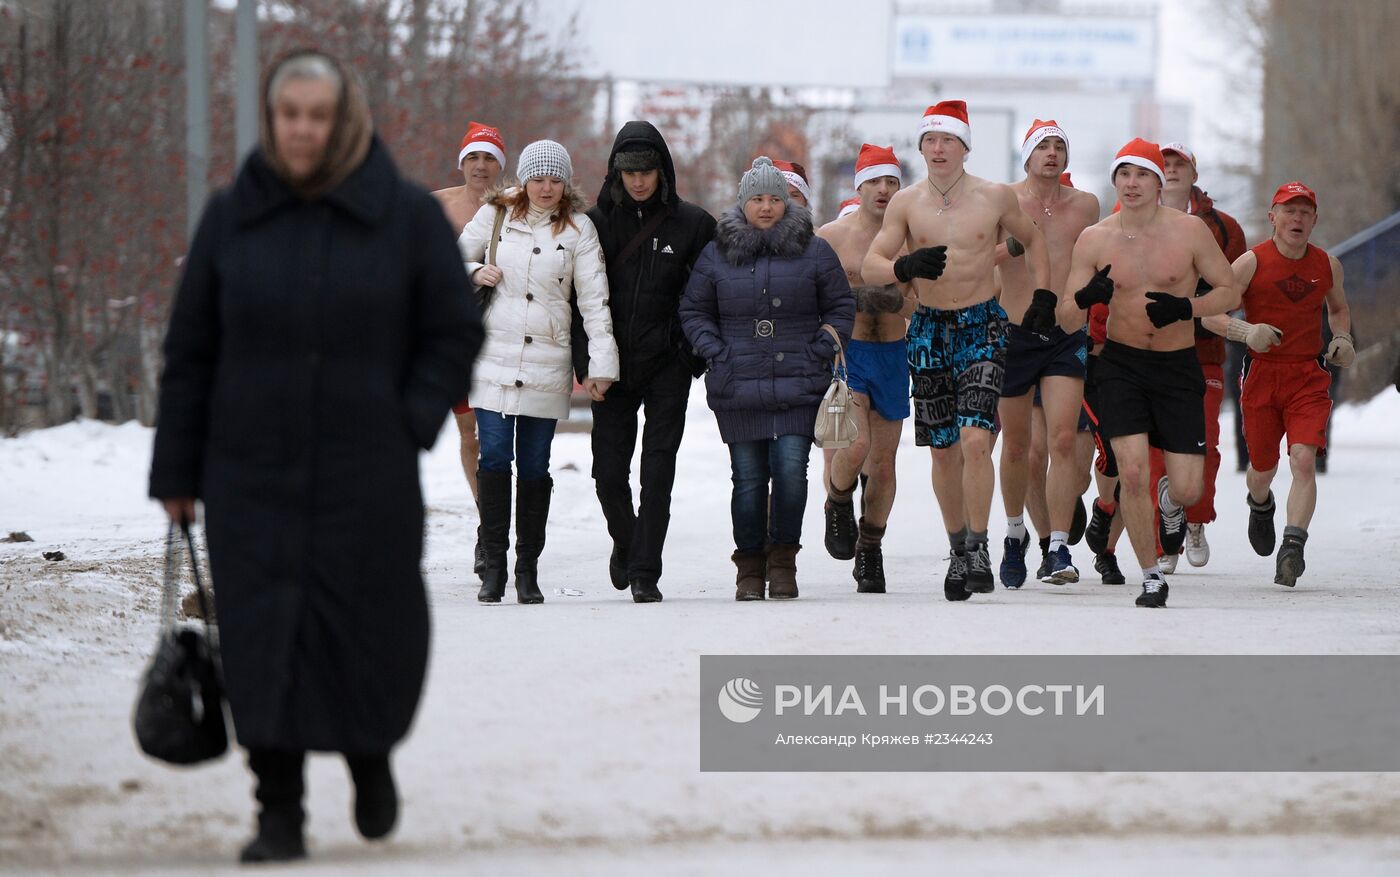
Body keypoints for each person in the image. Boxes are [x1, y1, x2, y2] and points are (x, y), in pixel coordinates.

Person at [148, 50, 482, 863]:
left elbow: (453, 327)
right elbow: (191, 348)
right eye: (288, 113)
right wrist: (178, 472)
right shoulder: (232, 215)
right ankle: (279, 810)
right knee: (262, 635)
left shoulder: (400, 214)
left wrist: (406, 418)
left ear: (344, 121)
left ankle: (369, 756)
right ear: (272, 120)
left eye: (317, 114)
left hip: (367, 468)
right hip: (249, 467)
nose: (302, 128)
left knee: (368, 622)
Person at [862, 100, 1051, 601]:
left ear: (965, 147)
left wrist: (1045, 296)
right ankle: (958, 548)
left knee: (975, 441)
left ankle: (981, 544)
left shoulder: (993, 196)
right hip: (928, 329)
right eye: (930, 140)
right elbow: (873, 263)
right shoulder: (906, 203)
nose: (938, 148)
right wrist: (905, 268)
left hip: (982, 325)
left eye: (948, 140)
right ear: (921, 147)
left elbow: (1035, 241)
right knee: (944, 450)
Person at [1061, 139, 1238, 608]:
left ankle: (1172, 504)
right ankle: (1150, 576)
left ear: (1159, 182)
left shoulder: (1190, 232)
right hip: (1120, 365)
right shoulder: (1095, 238)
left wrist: (1188, 307)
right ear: (1115, 181)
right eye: (1124, 174)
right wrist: (1084, 298)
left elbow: (1229, 291)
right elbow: (1063, 316)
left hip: (1177, 367)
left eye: (1142, 175)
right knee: (1133, 473)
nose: (1132, 183)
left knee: (1187, 486)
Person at [679, 157, 854, 600]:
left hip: (800, 382)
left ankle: (784, 561)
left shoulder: (814, 250)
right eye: (757, 198)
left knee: (792, 472)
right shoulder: (717, 251)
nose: (766, 206)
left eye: (774, 198)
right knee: (749, 478)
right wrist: (716, 352)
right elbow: (694, 309)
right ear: (743, 203)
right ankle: (750, 567)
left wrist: (821, 347)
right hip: (738, 383)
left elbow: (840, 306)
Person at [459, 139, 619, 604]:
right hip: (492, 357)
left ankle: (527, 569)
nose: (546, 188)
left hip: (549, 362)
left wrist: (601, 366)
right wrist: (474, 270)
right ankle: (493, 566)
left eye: (555, 179)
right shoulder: (495, 216)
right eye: (538, 178)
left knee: (534, 466)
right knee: (492, 458)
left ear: (566, 183)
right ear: (523, 178)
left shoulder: (580, 230)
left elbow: (594, 301)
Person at [580, 121, 716, 603]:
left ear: (663, 172)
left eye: (647, 171)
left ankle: (645, 571)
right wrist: (586, 363)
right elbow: (578, 299)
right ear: (616, 172)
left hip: (667, 365)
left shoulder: (695, 224)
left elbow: (708, 294)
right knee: (608, 473)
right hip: (611, 366)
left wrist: (687, 356)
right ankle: (627, 540)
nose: (638, 181)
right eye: (629, 172)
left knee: (658, 471)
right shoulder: (593, 223)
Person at [1201, 181, 1352, 587]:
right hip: (1263, 376)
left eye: (1304, 212)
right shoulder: (1251, 263)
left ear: (1314, 220)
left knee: (1304, 459)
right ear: (1273, 218)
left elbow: (1338, 308)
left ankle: (1292, 546)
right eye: (1289, 210)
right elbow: (1210, 313)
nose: (1296, 219)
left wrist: (1342, 337)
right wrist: (1243, 330)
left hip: (1308, 375)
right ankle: (1260, 503)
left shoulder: (1327, 265)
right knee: (1262, 470)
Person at [994, 120, 1100, 587]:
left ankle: (1058, 546)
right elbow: (975, 254)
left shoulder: (1086, 206)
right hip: (1013, 333)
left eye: (1060, 146)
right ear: (1027, 156)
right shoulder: (1003, 201)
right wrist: (1008, 247)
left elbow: (1101, 256)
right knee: (1020, 448)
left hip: (1064, 332)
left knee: (1062, 443)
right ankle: (1016, 534)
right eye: (1043, 146)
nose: (1052, 153)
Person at [816, 144, 912, 593]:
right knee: (854, 447)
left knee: (885, 464)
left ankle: (870, 549)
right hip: (849, 354)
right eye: (875, 180)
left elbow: (922, 297)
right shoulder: (833, 236)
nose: (884, 189)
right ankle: (837, 501)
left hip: (894, 353)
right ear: (859, 185)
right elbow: (811, 295)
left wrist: (901, 299)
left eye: (892, 181)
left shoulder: (909, 237)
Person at [1149, 142, 1248, 572]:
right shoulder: (1129, 222)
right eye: (1163, 164)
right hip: (1147, 350)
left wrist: (1206, 306)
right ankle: (1164, 537)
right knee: (1155, 449)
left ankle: (1195, 519)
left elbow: (1237, 288)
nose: (1171, 170)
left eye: (1179, 165)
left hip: (1202, 351)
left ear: (1193, 172)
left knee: (1202, 443)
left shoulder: (1223, 228)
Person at [432, 121, 506, 573]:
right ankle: (489, 524)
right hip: (449, 338)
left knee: (492, 438)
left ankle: (492, 527)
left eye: (490, 158)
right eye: (473, 158)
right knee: (470, 436)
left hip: (502, 338)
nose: (481, 166)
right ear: (462, 162)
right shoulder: (435, 207)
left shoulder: (515, 205)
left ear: (501, 164)